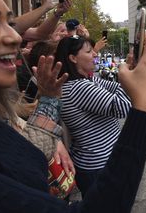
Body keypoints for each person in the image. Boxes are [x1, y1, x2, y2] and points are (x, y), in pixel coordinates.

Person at [0, 0, 146, 212]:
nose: (15, 36)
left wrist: (48, 101)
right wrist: (145, 102)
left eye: (10, 23)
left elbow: (23, 152)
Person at [54, 36, 132, 196]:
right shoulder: (79, 87)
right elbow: (124, 107)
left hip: (91, 163)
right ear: (73, 58)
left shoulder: (87, 80)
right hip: (98, 166)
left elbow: (116, 87)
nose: (95, 54)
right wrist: (127, 75)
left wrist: (122, 84)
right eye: (89, 51)